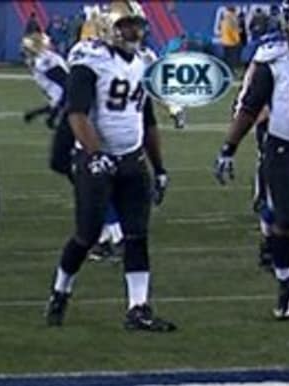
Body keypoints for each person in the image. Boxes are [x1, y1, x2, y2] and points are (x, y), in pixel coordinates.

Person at [44, 1, 175, 332]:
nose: (134, 31)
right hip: (95, 160)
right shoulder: (90, 60)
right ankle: (60, 291)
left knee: (137, 236)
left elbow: (147, 119)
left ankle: (138, 308)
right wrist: (95, 153)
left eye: (137, 25)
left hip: (131, 159)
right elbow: (77, 112)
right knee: (86, 236)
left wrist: (159, 167)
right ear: (108, 28)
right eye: (126, 25)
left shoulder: (145, 61)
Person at [215, 0, 289, 318]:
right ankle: (286, 284)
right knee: (285, 220)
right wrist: (229, 147)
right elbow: (250, 106)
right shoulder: (273, 55)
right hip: (285, 149)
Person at [21, 32, 69, 128]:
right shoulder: (41, 59)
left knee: (59, 103)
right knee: (62, 101)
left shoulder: (45, 55)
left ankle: (37, 115)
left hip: (52, 82)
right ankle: (49, 120)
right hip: (52, 84)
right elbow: (55, 74)